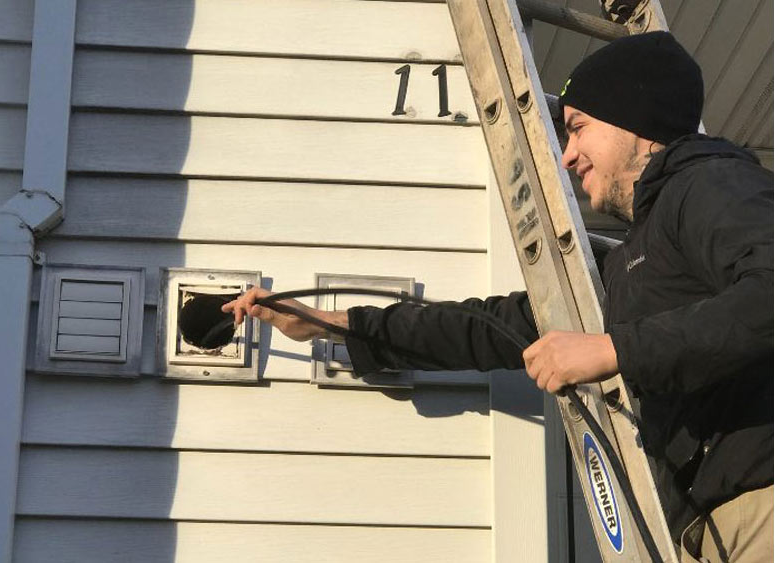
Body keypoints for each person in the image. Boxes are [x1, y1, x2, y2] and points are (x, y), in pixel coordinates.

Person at [223, 32, 773, 561]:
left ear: (635, 119)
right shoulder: (636, 261)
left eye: (578, 128)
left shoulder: (708, 184)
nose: (567, 156)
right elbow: (490, 329)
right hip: (711, 527)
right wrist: (328, 323)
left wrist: (613, 351)